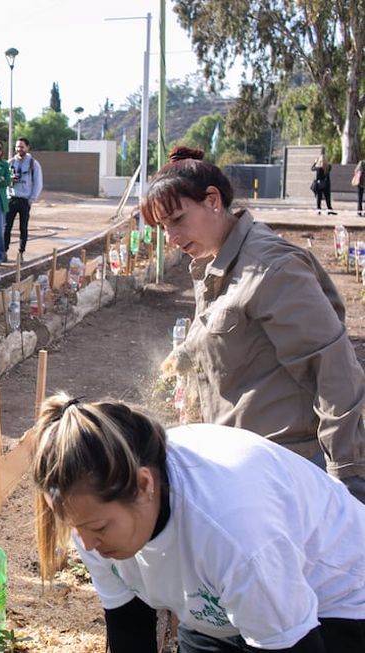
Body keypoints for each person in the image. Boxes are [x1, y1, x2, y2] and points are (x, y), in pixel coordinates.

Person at [30, 393, 365, 653]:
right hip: (219, 606)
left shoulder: (231, 531)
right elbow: (129, 624)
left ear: (145, 485)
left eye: (99, 529)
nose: (87, 545)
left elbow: (292, 645)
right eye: (77, 529)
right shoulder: (90, 516)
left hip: (336, 598)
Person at [142, 145, 365, 501]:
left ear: (212, 200)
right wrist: (188, 352)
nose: (171, 238)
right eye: (163, 226)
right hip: (245, 465)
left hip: (289, 472)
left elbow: (334, 368)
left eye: (178, 220)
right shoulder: (215, 261)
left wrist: (346, 475)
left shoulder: (271, 268)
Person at [4, 137, 43, 261]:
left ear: (27, 147)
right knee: (7, 227)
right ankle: (4, 251)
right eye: (17, 147)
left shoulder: (33, 163)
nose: (19, 149)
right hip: (11, 198)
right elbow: (4, 180)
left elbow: (38, 182)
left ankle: (21, 252)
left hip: (25, 200)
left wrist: (32, 199)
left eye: (21, 146)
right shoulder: (10, 163)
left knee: (23, 227)